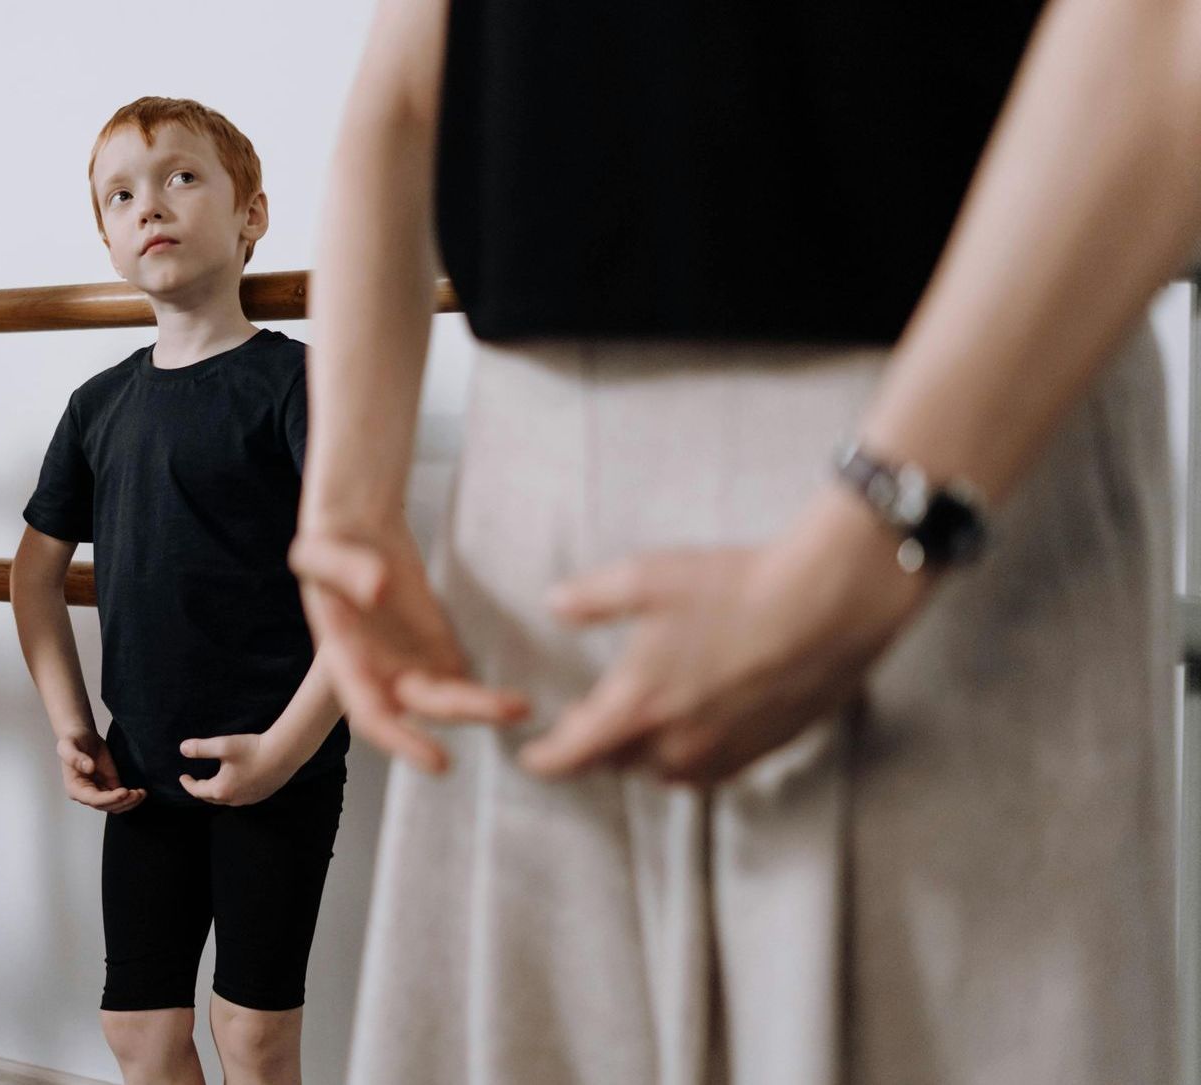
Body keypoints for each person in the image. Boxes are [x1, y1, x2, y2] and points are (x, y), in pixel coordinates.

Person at [293, 0, 1195, 1080]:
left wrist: (881, 526)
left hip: (956, 456)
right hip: (522, 529)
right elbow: (408, 69)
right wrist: (346, 492)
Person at [13, 96, 347, 1085]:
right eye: (122, 193)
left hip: (280, 762)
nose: (149, 203)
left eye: (181, 177)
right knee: (139, 1030)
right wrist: (73, 725)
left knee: (251, 1032)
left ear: (251, 215)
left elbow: (361, 591)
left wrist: (285, 752)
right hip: (141, 772)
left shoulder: (298, 384)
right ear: (109, 236)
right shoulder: (99, 403)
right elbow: (36, 577)